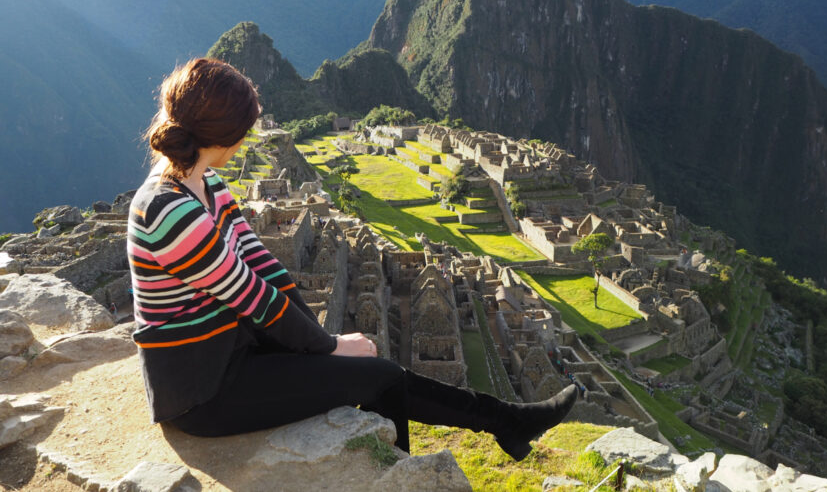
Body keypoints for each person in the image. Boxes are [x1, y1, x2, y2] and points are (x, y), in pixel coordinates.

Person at [127, 58, 578, 461]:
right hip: (202, 390)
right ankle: (426, 458)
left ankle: (505, 423)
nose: (247, 141)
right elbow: (254, 298)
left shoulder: (209, 185)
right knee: (378, 376)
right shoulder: (169, 212)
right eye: (244, 131)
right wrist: (331, 349)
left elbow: (264, 268)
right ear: (224, 134)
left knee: (371, 367)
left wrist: (326, 342)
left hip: (234, 349)